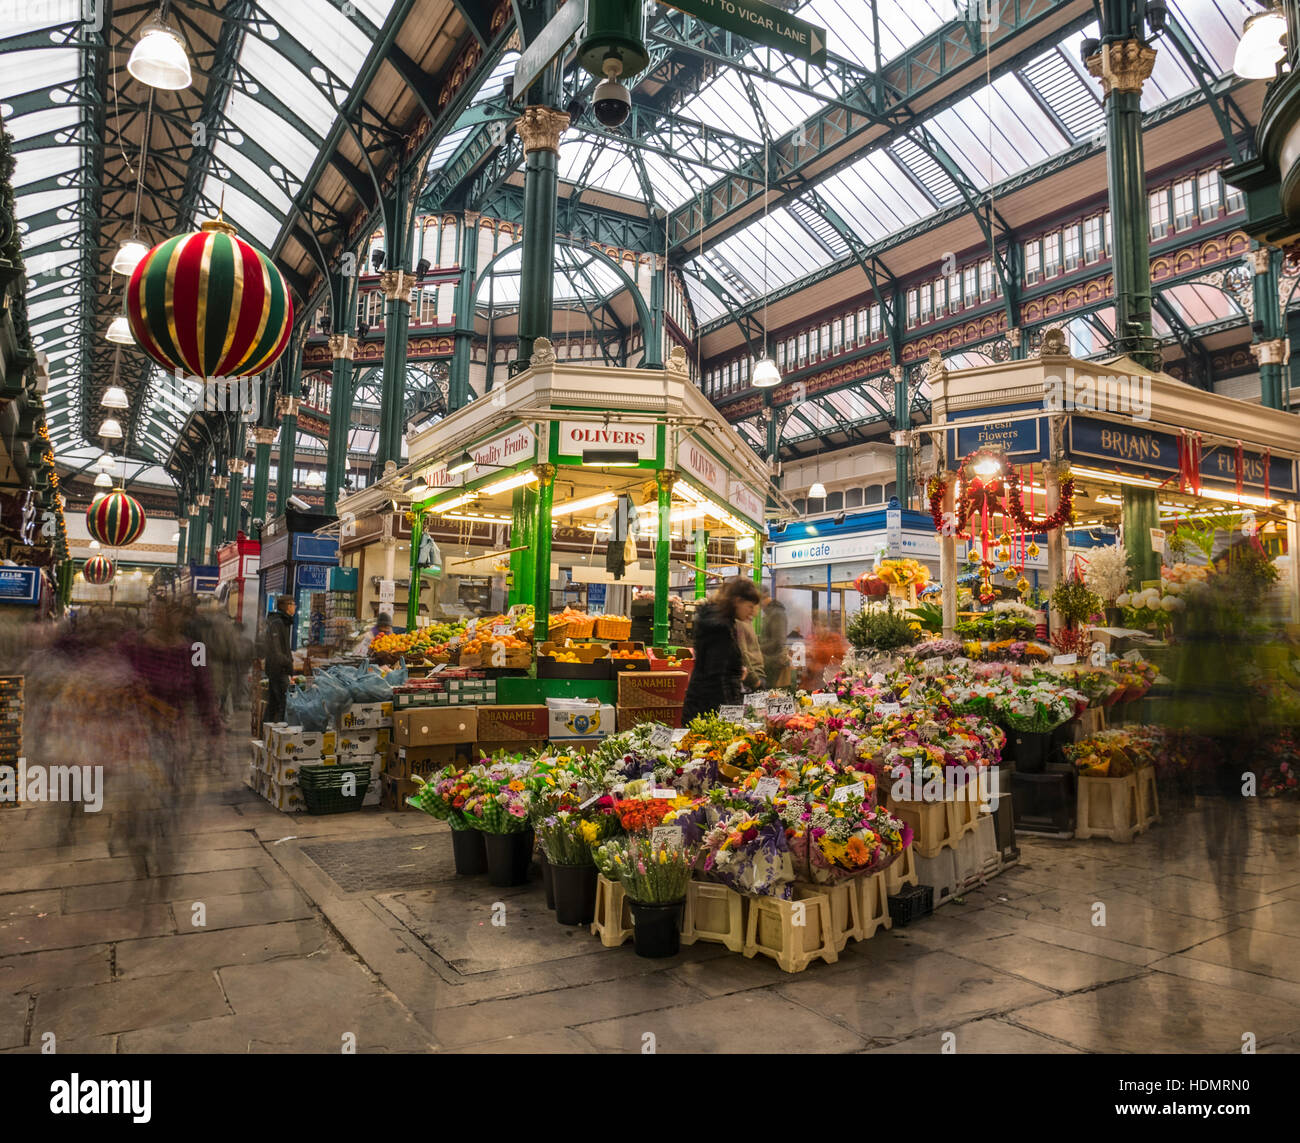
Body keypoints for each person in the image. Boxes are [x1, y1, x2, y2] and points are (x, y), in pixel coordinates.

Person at [681, 577, 761, 723]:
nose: (753, 612)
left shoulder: (719, 621)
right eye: (750, 606)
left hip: (703, 704)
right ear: (737, 601)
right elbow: (716, 677)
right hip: (709, 710)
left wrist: (735, 670)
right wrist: (731, 712)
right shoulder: (719, 627)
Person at [263, 594, 295, 724]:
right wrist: (287, 661)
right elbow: (276, 650)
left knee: (274, 704)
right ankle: (280, 733)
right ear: (287, 606)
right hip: (278, 670)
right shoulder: (277, 623)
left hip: (278, 668)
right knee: (283, 704)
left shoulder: (283, 622)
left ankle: (265, 733)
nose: (295, 607)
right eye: (293, 604)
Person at [759, 591, 791, 688]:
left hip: (773, 662)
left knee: (771, 693)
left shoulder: (776, 613)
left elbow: (778, 641)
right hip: (769, 661)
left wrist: (757, 649)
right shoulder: (771, 612)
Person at [736, 612, 765, 692]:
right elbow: (742, 653)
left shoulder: (748, 622)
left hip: (758, 672)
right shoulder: (739, 623)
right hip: (753, 675)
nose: (753, 609)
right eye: (750, 606)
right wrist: (755, 680)